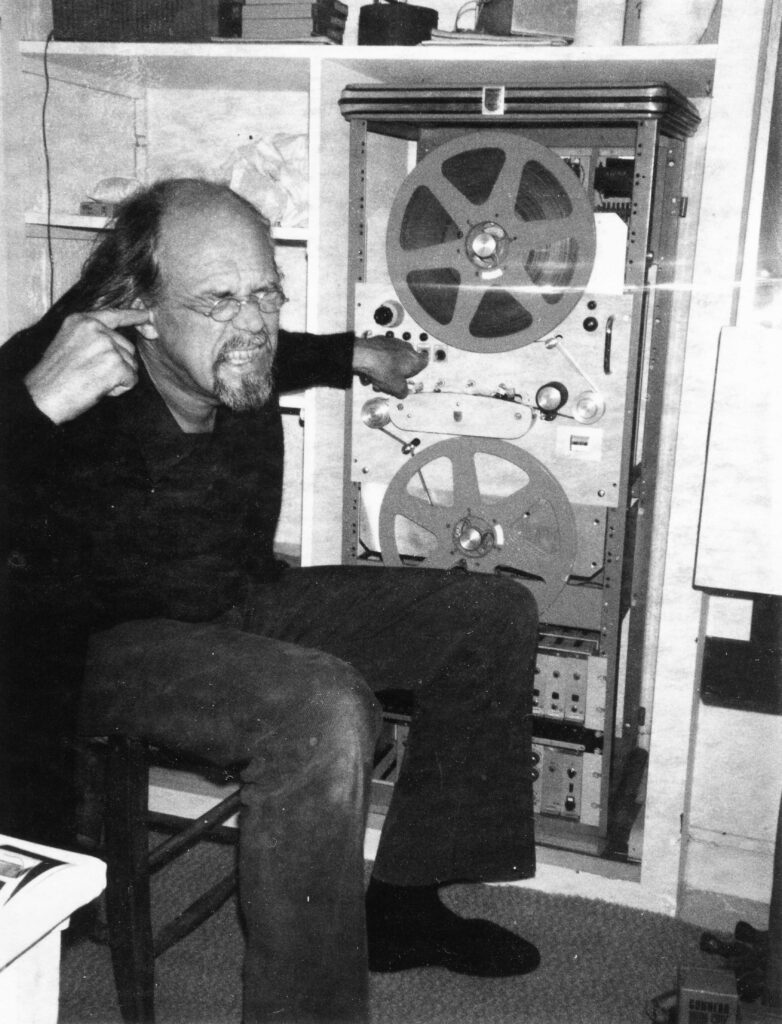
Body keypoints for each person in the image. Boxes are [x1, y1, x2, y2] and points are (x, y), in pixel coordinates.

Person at [0, 177, 540, 1023]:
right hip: (102, 650)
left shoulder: (230, 339)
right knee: (320, 709)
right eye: (220, 297)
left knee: (488, 616)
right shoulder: (55, 371)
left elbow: (264, 346)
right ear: (136, 305)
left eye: (265, 292)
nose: (251, 321)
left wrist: (354, 354)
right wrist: (32, 408)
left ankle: (403, 906)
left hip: (236, 598)